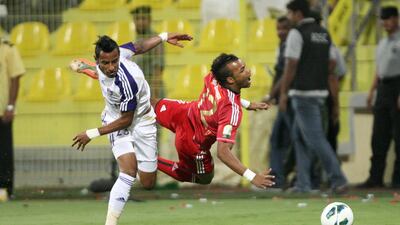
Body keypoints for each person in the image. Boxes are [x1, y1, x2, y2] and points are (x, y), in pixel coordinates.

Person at [71, 33, 192, 225]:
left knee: (148, 183)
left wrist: (91, 133)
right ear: (98, 60)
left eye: (115, 62)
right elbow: (139, 46)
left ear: (119, 58)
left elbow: (126, 120)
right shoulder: (116, 57)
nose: (111, 67)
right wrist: (164, 36)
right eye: (105, 63)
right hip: (114, 120)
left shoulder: (127, 83)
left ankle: (148, 160)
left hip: (141, 122)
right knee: (127, 172)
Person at [155, 53, 275, 189]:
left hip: (182, 112)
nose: (249, 71)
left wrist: (248, 104)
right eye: (242, 70)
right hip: (193, 142)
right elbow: (223, 152)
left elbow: (225, 97)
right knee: (204, 178)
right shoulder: (231, 111)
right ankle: (149, 161)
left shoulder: (214, 75)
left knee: (148, 105)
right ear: (230, 79)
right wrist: (252, 176)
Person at [279, 0, 347, 193]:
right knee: (299, 138)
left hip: (302, 94)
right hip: (320, 92)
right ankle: (303, 184)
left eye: (290, 14)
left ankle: (338, 179)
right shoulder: (324, 34)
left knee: (316, 139)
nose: (289, 18)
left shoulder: (297, 33)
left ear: (298, 14)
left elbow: (291, 65)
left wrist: (283, 93)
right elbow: (332, 65)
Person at [357, 6, 400, 189]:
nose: (385, 22)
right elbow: (379, 69)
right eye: (383, 19)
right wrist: (371, 91)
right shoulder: (382, 43)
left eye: (388, 18)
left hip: (397, 87)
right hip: (383, 89)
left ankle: (397, 180)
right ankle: (375, 179)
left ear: (397, 19)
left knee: (399, 136)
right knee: (378, 137)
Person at [265, 16, 293, 189]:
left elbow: (285, 75)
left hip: (289, 100)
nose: (280, 32)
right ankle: (278, 179)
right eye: (278, 29)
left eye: (284, 28)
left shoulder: (291, 47)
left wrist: (273, 94)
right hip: (285, 99)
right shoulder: (284, 46)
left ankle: (280, 178)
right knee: (278, 140)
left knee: (289, 140)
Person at [0, 37, 25, 199]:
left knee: (4, 152)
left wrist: (10, 106)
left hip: (2, 112)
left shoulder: (7, 48)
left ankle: (6, 189)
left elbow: (15, 78)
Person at [130, 5, 165, 99]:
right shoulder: (136, 39)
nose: (140, 22)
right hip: (140, 92)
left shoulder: (155, 40)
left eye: (143, 18)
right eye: (137, 18)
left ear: (149, 20)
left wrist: (154, 97)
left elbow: (157, 71)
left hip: (151, 93)